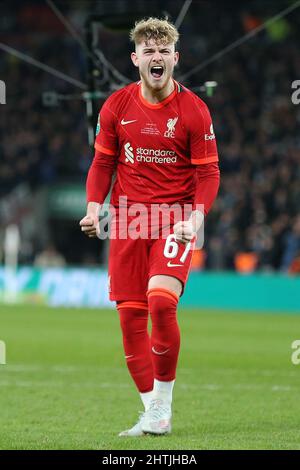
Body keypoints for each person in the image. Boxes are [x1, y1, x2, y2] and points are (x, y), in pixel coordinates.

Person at [80, 17, 220, 436]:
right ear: (135, 58)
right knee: (130, 319)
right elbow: (103, 162)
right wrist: (93, 207)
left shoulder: (194, 110)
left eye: (163, 52)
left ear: (174, 59)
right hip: (126, 222)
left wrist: (195, 218)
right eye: (149, 51)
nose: (156, 57)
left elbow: (209, 174)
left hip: (173, 222)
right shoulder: (116, 107)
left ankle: (161, 407)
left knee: (161, 302)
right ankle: (155, 412)